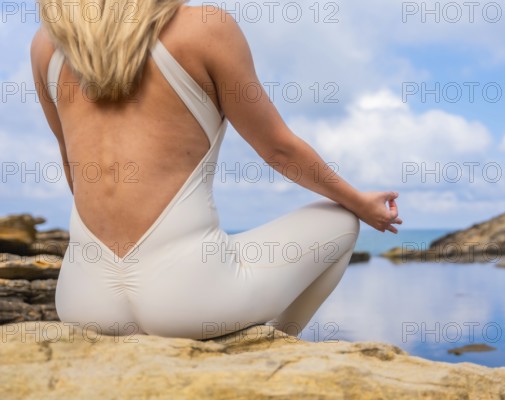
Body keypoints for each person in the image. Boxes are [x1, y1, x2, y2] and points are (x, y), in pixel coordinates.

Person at [30, 1, 402, 340]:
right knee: (340, 218)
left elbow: (73, 170)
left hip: (84, 298)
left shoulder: (47, 45)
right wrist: (360, 202)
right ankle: (274, 345)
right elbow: (278, 148)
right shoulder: (204, 28)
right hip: (190, 298)